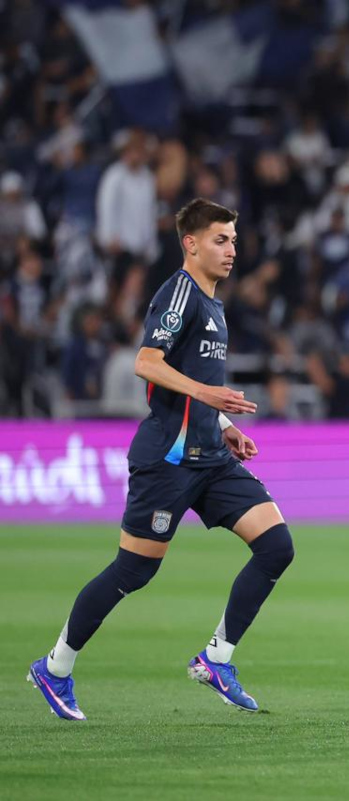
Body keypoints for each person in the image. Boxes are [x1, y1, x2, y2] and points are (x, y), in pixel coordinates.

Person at [28, 199, 294, 720]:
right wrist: (208, 395)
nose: (232, 249)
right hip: (168, 459)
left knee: (276, 546)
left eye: (234, 240)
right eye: (220, 239)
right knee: (134, 570)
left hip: (210, 457)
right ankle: (54, 667)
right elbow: (146, 362)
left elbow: (195, 384)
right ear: (190, 243)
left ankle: (216, 659)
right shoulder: (180, 292)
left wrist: (224, 425)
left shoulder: (215, 304)